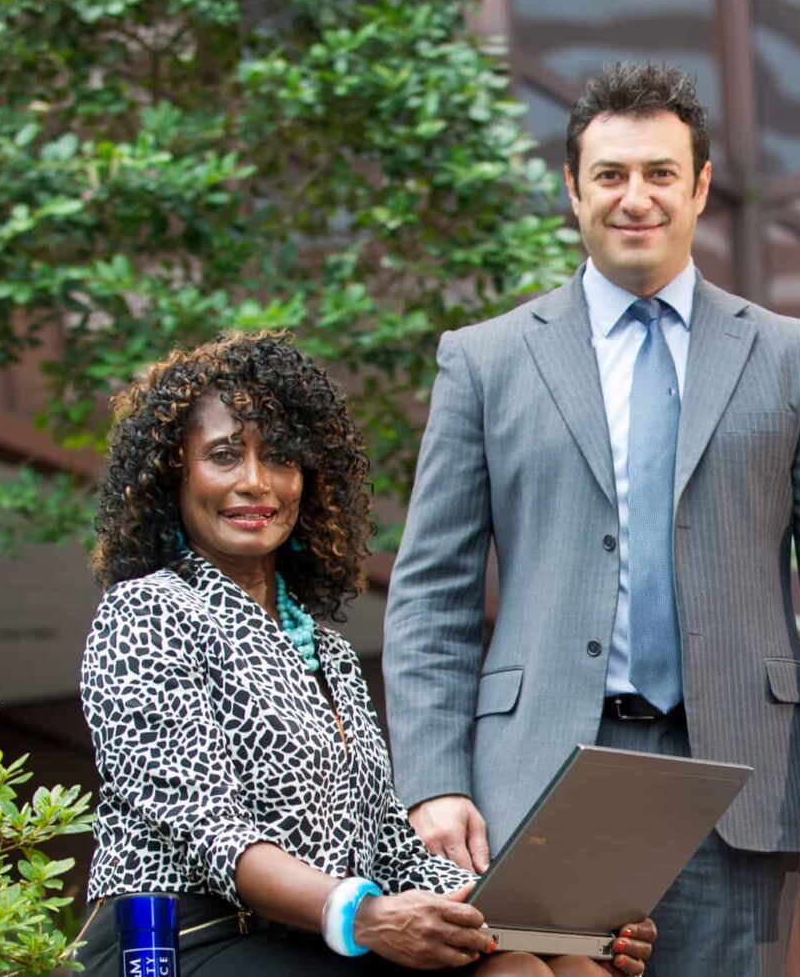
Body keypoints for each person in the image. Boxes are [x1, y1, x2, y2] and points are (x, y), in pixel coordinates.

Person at [383, 61, 800, 977]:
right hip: (535, 782)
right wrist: (435, 779)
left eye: (659, 173)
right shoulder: (484, 362)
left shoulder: (795, 359)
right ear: (573, 189)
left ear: (699, 187)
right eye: (610, 174)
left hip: (738, 776)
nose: (634, 197)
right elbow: (430, 597)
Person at [73, 333, 656, 975]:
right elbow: (210, 829)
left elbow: (390, 849)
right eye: (222, 456)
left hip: (317, 937)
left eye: (281, 460)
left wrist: (548, 919)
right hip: (187, 939)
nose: (255, 483)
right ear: (172, 476)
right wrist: (366, 915)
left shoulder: (327, 651)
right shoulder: (144, 611)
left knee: (557, 966)